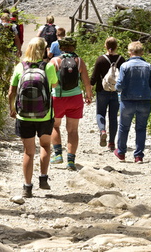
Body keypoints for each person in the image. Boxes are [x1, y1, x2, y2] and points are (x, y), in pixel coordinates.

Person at [7, 37, 59, 198]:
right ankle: (43, 178)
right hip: (44, 115)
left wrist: (12, 109)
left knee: (28, 152)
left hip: (24, 116)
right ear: (44, 50)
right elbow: (54, 85)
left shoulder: (20, 67)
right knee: (45, 146)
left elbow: (11, 92)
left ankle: (27, 187)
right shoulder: (48, 67)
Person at [49, 36, 93, 170]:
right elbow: (86, 82)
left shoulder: (55, 61)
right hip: (75, 98)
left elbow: (48, 81)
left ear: (61, 47)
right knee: (73, 130)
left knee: (55, 126)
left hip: (58, 98)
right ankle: (71, 161)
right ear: (74, 47)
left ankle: (57, 155)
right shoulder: (79, 61)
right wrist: (89, 96)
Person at [114, 41, 151, 164]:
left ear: (129, 52)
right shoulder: (149, 66)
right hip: (144, 101)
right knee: (141, 128)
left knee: (124, 127)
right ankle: (138, 156)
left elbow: (119, 85)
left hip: (127, 101)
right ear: (142, 52)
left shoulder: (124, 66)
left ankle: (121, 153)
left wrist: (117, 87)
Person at [89, 37, 125, 151]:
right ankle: (111, 143)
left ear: (105, 45)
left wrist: (89, 91)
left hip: (102, 90)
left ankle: (102, 130)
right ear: (116, 46)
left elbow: (94, 77)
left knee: (100, 113)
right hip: (116, 91)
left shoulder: (100, 60)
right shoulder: (121, 59)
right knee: (113, 117)